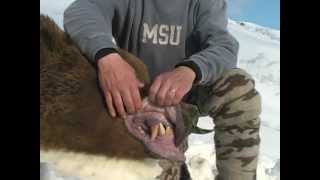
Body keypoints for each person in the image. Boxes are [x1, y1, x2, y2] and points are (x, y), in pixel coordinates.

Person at [63, 0, 261, 179]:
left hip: (185, 97)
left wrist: (190, 69)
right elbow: (83, 10)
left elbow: (224, 45)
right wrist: (107, 57)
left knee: (238, 86)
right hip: (136, 102)